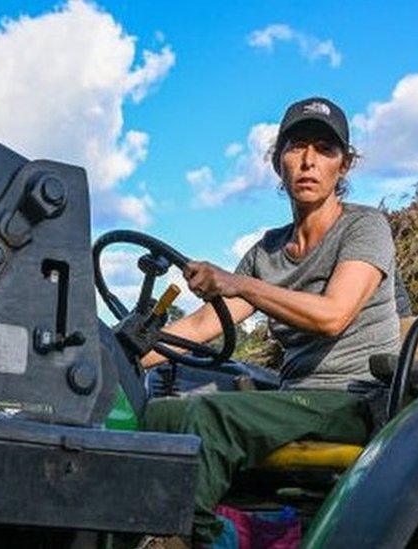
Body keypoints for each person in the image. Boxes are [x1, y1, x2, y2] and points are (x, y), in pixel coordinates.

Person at [142, 97, 400, 543]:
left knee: (206, 418)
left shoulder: (364, 227)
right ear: (277, 161)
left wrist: (240, 285)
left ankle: (206, 537)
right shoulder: (267, 251)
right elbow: (204, 326)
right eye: (296, 147)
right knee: (156, 415)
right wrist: (114, 351)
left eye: (325, 150)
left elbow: (333, 316)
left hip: (353, 401)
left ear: (345, 165)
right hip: (294, 400)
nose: (308, 161)